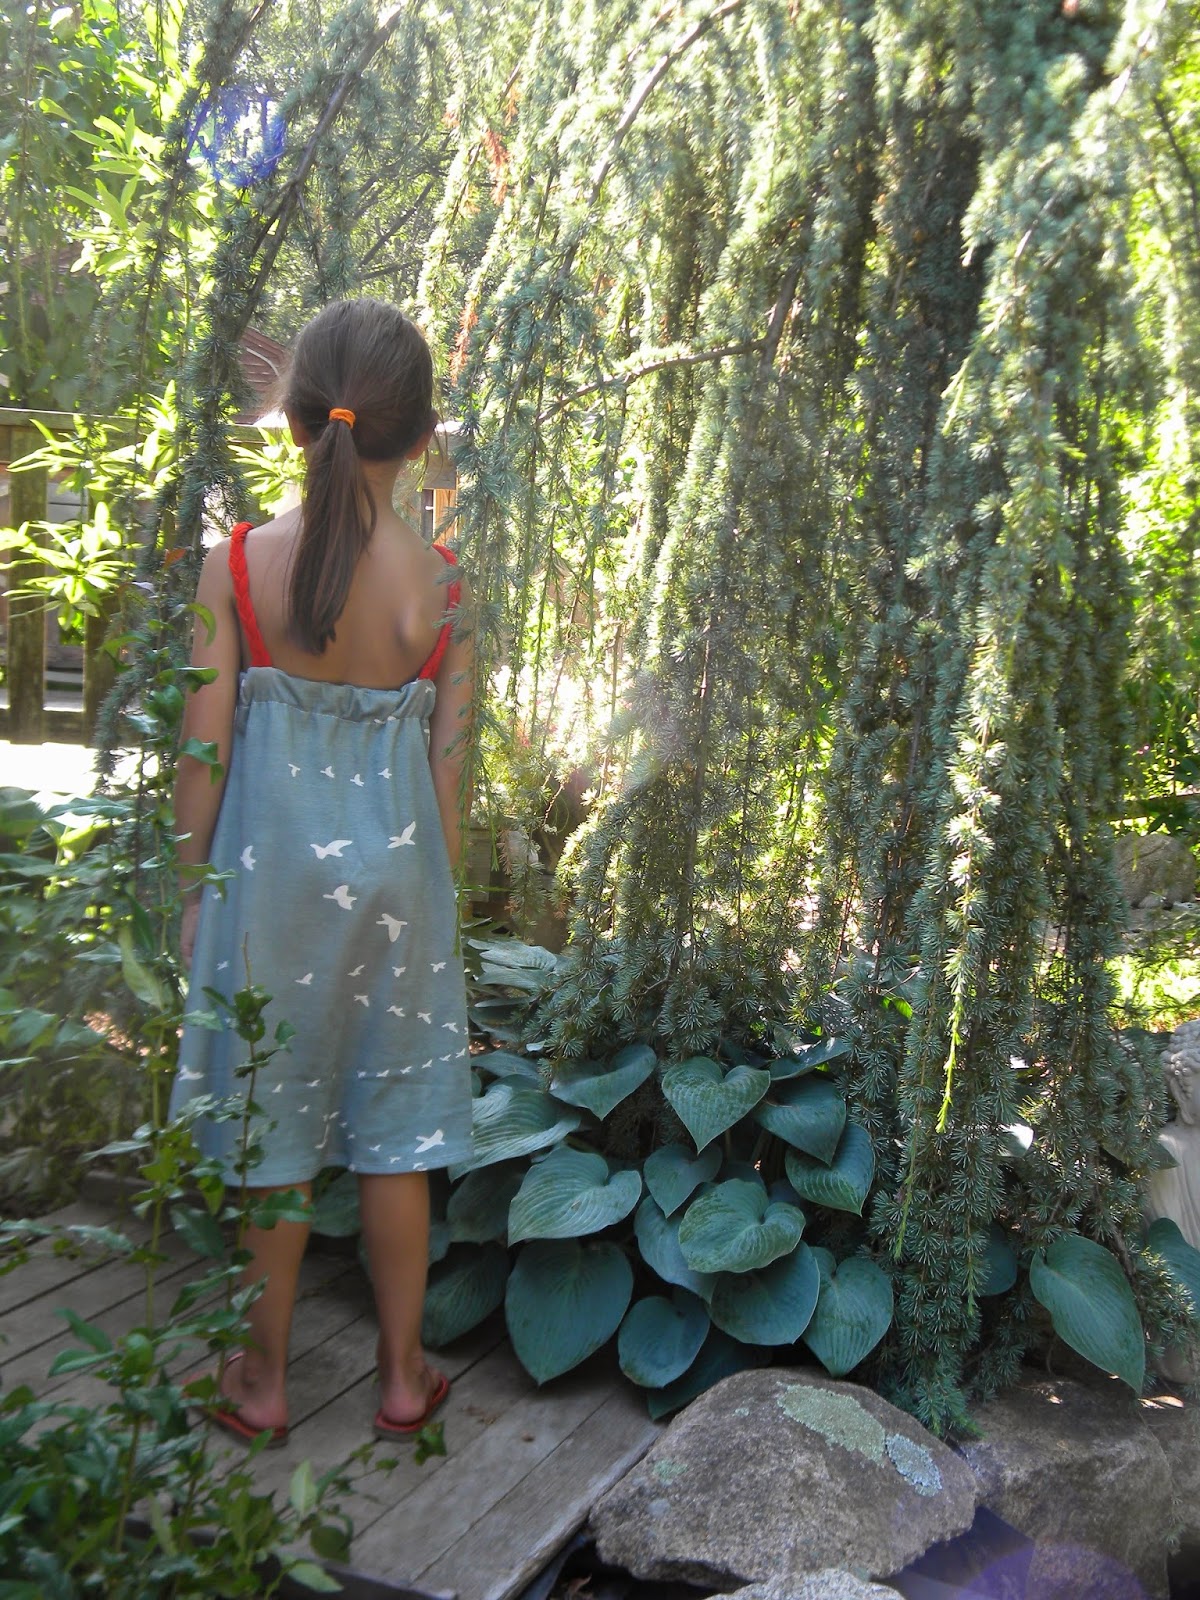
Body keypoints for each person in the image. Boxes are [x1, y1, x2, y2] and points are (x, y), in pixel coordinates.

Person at [171, 298, 475, 1446]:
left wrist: (191, 891)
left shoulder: (235, 566)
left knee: (274, 1132)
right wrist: (438, 907)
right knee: (395, 1137)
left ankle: (260, 1382)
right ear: (423, 436)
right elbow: (448, 784)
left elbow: (203, 754)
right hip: (398, 894)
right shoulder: (445, 590)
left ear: (296, 421)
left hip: (268, 894)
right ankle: (403, 1375)